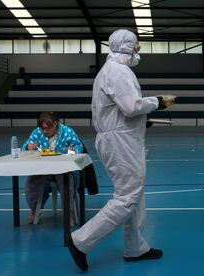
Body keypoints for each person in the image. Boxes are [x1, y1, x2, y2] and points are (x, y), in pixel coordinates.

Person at [67, 29, 170, 272]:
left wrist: (143, 121)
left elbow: (116, 112)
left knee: (134, 195)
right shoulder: (119, 72)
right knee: (126, 198)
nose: (137, 51)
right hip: (120, 142)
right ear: (126, 46)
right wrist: (158, 102)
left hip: (119, 138)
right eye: (136, 46)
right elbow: (131, 106)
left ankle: (136, 248)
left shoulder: (110, 71)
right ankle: (80, 241)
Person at [22, 112, 83, 225]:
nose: (44, 131)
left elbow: (79, 147)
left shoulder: (67, 132)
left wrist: (68, 150)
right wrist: (28, 146)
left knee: (66, 181)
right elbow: (24, 146)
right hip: (43, 169)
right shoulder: (37, 132)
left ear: (55, 124)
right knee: (31, 182)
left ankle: (69, 212)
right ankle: (35, 210)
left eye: (47, 128)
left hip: (64, 169)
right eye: (42, 128)